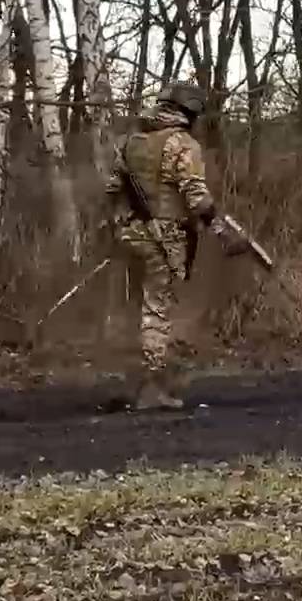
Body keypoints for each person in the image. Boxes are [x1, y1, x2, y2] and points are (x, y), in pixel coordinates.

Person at [104, 81, 250, 411]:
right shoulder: (182, 145)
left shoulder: (131, 141)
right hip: (163, 238)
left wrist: (124, 222)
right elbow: (196, 197)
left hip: (129, 236)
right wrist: (222, 231)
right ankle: (151, 387)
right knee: (156, 309)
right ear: (189, 113)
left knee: (135, 308)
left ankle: (131, 378)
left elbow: (113, 189)